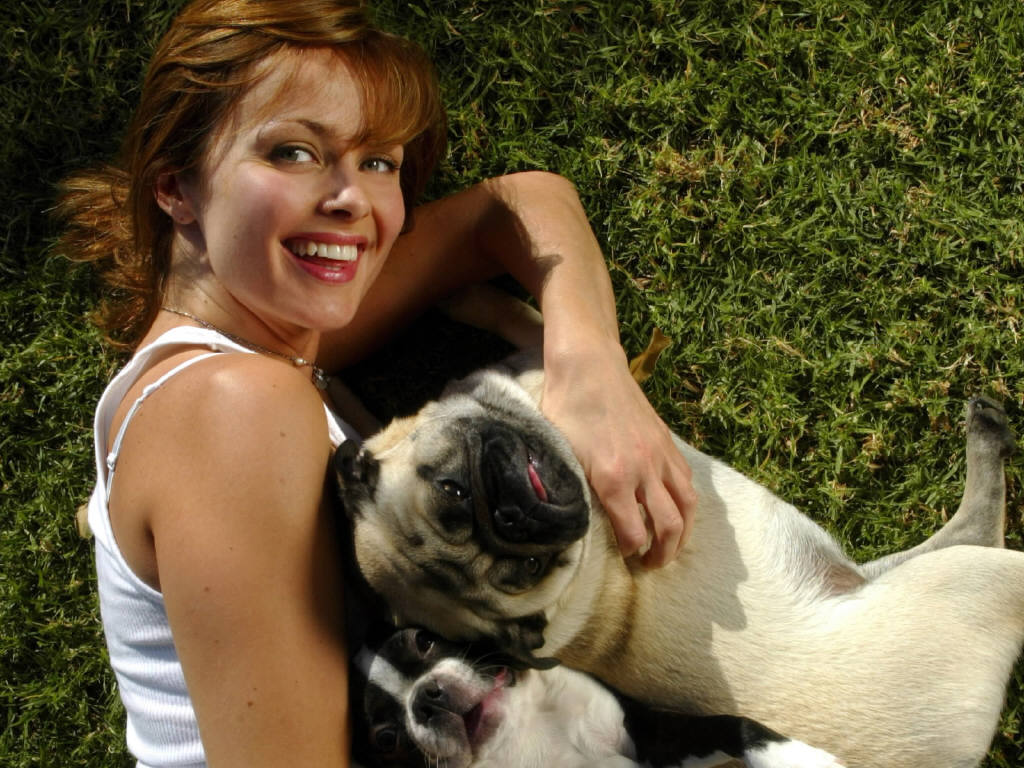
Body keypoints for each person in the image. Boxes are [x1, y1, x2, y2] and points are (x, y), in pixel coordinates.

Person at [59, 1, 696, 766]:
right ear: (176, 187)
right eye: (294, 152)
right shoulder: (232, 404)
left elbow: (518, 204)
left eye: (379, 163)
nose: (352, 199)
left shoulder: (256, 352)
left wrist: (589, 369)